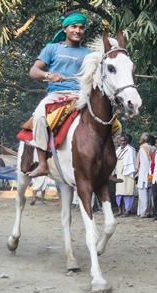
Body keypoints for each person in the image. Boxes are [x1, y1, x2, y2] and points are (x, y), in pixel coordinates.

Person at [27, 11, 91, 178]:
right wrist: (49, 75)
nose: (78, 30)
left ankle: (107, 168)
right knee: (40, 118)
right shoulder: (52, 48)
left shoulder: (89, 54)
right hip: (57, 95)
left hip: (82, 96)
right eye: (74, 26)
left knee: (113, 125)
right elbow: (33, 71)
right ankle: (42, 164)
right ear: (65, 28)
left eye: (81, 27)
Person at [114, 133, 137, 217]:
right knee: (119, 193)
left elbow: (134, 163)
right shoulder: (118, 150)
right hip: (119, 174)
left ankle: (127, 211)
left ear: (127, 141)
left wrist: (133, 173)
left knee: (128, 192)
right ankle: (120, 210)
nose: (122, 142)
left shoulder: (131, 150)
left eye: (124, 140)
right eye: (121, 140)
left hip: (128, 174)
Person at [136, 132, 153, 217]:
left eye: (140, 137)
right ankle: (150, 211)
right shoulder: (151, 148)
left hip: (144, 174)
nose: (140, 139)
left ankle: (144, 211)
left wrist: (148, 176)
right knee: (150, 194)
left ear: (143, 139)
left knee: (143, 194)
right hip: (150, 174)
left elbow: (146, 163)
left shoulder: (143, 148)